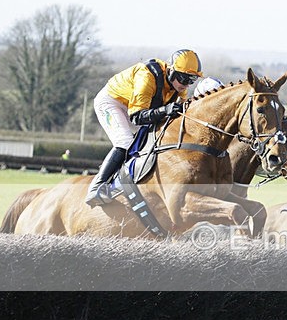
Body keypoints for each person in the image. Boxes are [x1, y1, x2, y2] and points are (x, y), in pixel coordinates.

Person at [85, 49, 204, 206]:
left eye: (191, 80)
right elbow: (137, 117)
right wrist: (165, 110)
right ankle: (96, 187)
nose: (185, 84)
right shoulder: (147, 75)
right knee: (125, 142)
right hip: (113, 102)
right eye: (183, 78)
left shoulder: (180, 89)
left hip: (136, 108)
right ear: (171, 70)